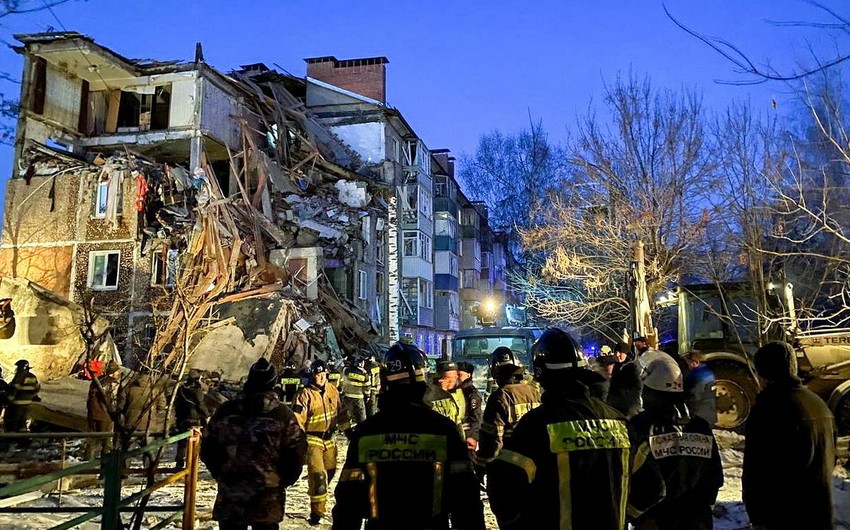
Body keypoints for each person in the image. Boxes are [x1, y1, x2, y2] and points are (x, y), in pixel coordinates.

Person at [487, 328, 665, 530]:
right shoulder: (619, 422)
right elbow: (653, 487)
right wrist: (622, 513)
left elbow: (502, 489)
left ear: (541, 374)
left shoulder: (535, 427)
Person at [332, 342, 486, 530]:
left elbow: (348, 503)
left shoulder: (367, 432)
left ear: (386, 382)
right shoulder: (445, 430)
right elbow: (466, 499)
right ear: (424, 381)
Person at [201, 357, 307, 530]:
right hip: (267, 496)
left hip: (232, 493)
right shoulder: (283, 414)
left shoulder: (226, 411)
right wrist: (282, 480)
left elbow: (208, 447)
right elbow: (297, 451)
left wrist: (222, 473)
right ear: (273, 382)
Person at [743, 341, 836, 530]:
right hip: (820, 513)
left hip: (783, 516)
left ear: (764, 373)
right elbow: (830, 458)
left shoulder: (769, 408)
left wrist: (758, 516)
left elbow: (757, 469)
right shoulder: (819, 404)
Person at [631, 356, 723, 530]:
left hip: (655, 521)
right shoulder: (700, 426)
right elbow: (714, 476)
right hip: (698, 521)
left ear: (648, 390)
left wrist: (638, 516)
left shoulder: (641, 426)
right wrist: (702, 511)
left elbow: (635, 478)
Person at [292, 358, 351, 525]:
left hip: (330, 440)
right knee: (318, 477)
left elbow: (341, 413)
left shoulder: (332, 390)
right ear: (312, 376)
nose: (322, 377)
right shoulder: (303, 395)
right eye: (319, 375)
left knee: (330, 473)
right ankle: (316, 512)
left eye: (324, 374)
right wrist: (299, 444)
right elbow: (297, 422)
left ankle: (318, 495)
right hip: (312, 440)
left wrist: (348, 431)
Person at [476, 347, 541, 465]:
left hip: (510, 465)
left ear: (495, 371)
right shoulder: (535, 392)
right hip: (537, 461)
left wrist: (483, 464)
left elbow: (493, 439)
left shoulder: (500, 397)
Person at [174, 369, 211, 468]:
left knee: (182, 442)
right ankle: (192, 465)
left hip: (182, 418)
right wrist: (207, 415)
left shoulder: (181, 389)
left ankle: (179, 461)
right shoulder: (197, 391)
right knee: (195, 441)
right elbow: (200, 405)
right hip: (194, 419)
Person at [85, 360, 121, 459]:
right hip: (106, 416)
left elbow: (89, 399)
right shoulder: (113, 384)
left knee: (92, 440)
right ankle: (106, 462)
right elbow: (113, 401)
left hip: (93, 414)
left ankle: (87, 462)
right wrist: (115, 414)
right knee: (107, 441)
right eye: (118, 371)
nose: (119, 373)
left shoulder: (96, 382)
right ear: (113, 372)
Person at [119, 366, 166, 432]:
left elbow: (121, 406)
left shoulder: (129, 388)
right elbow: (162, 406)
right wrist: (154, 413)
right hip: (149, 424)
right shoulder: (156, 390)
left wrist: (127, 413)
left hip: (131, 423)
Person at [607, 341, 643, 418]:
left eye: (620, 352)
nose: (617, 355)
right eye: (615, 352)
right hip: (616, 407)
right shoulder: (617, 366)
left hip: (629, 410)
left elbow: (636, 389)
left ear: (627, 354)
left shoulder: (633, 367)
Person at [424, 360, 463, 430]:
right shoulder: (427, 394)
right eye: (449, 378)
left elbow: (457, 420)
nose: (453, 381)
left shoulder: (457, 392)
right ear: (440, 379)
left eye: (455, 377)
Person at [5, 359, 41, 433]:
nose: (17, 368)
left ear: (21, 367)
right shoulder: (32, 376)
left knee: (13, 420)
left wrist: (9, 398)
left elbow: (15, 388)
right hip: (28, 403)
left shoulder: (20, 375)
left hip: (18, 402)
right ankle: (23, 437)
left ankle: (12, 438)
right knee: (23, 421)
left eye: (18, 366)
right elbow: (36, 388)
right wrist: (34, 397)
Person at [682, 351, 717, 426]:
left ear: (695, 362)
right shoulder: (709, 372)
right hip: (710, 412)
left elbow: (694, 396)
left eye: (689, 363)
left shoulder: (695, 375)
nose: (688, 366)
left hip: (699, 415)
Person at [457, 362, 483, 451]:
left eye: (459, 374)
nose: (457, 377)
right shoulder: (456, 391)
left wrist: (472, 437)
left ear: (468, 375)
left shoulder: (472, 394)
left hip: (467, 436)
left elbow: (475, 419)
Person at [342, 356, 369, 425]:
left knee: (349, 414)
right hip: (359, 397)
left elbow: (343, 380)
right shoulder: (364, 373)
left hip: (348, 396)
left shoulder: (347, 370)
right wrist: (367, 396)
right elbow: (367, 387)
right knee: (361, 415)